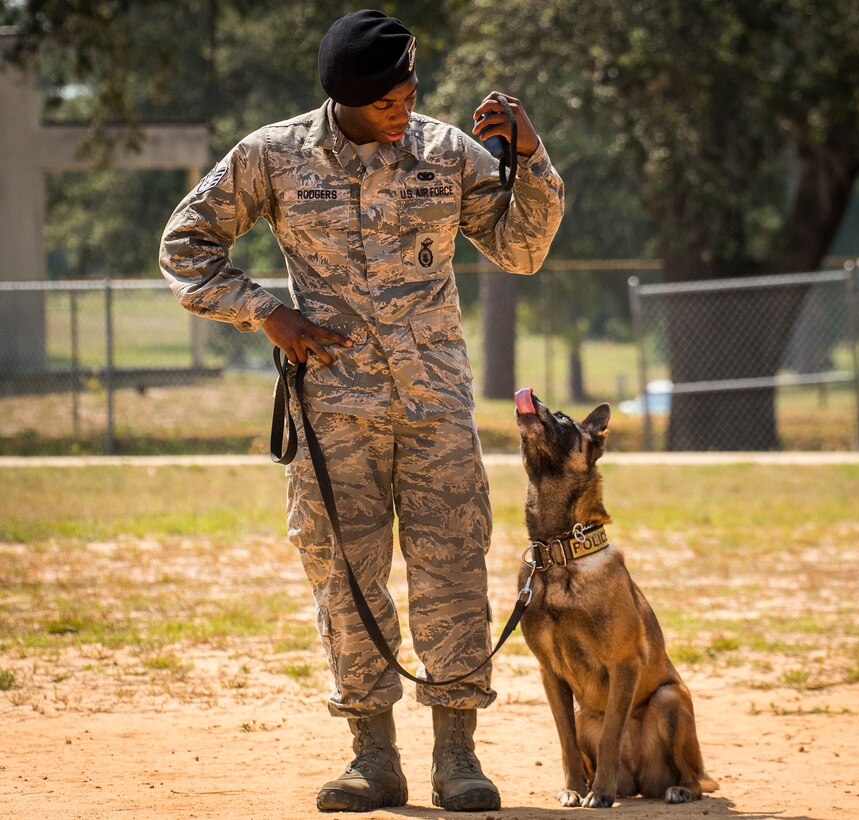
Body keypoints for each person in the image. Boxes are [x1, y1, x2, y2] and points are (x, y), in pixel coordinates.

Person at [159, 8, 563, 814]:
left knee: (451, 567)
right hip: (332, 409)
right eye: (386, 99)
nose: (403, 107)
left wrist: (529, 157)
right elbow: (185, 247)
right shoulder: (272, 155)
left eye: (410, 89)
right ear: (343, 98)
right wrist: (264, 312)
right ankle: (371, 757)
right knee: (345, 577)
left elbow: (521, 250)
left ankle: (458, 758)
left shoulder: (447, 153)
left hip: (435, 403)